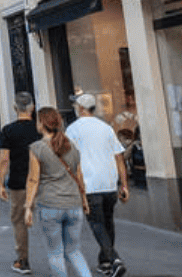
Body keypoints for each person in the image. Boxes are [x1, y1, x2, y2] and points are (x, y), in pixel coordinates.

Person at [25, 107, 93, 277]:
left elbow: (33, 180)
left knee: (55, 252)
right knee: (74, 251)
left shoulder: (37, 148)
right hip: (74, 205)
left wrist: (28, 207)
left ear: (42, 124)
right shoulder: (71, 146)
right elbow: (79, 176)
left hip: (50, 205)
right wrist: (84, 200)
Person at [67, 94, 129, 277]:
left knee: (96, 223)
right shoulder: (106, 128)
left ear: (80, 108)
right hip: (109, 182)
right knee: (108, 222)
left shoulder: (73, 129)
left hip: (89, 184)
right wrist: (124, 185)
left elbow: (70, 159)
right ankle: (105, 263)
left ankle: (114, 259)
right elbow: (119, 157)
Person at [0, 93, 41, 275]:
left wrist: (0, 183)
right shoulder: (40, 129)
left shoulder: (8, 130)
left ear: (15, 108)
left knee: (19, 222)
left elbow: (4, 159)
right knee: (51, 220)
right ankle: (60, 259)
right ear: (32, 108)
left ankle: (23, 260)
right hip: (44, 182)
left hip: (19, 182)